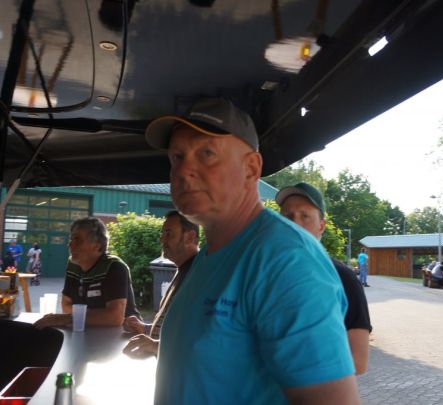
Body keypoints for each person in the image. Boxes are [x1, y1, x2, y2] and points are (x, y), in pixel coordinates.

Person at [145, 98, 358, 403]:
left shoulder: (286, 260)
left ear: (251, 168)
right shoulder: (209, 256)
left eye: (206, 153)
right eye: (177, 157)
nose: (184, 170)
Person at [276, 182, 372, 374]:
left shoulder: (343, 278)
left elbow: (358, 361)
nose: (294, 224)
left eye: (305, 216)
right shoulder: (263, 273)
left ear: (321, 226)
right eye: (287, 216)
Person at [34, 217, 141, 329]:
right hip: (87, 332)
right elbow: (66, 305)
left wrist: (69, 318)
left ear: (97, 245)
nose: (70, 244)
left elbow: (115, 317)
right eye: (71, 239)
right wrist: (92, 316)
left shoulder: (114, 267)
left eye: (77, 240)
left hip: (125, 334)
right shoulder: (73, 266)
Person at [122, 210, 199, 357]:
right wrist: (145, 328)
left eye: (168, 234)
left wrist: (155, 345)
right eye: (162, 234)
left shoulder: (198, 274)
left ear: (189, 237)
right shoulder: (184, 269)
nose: (162, 239)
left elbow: (200, 338)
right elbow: (175, 328)